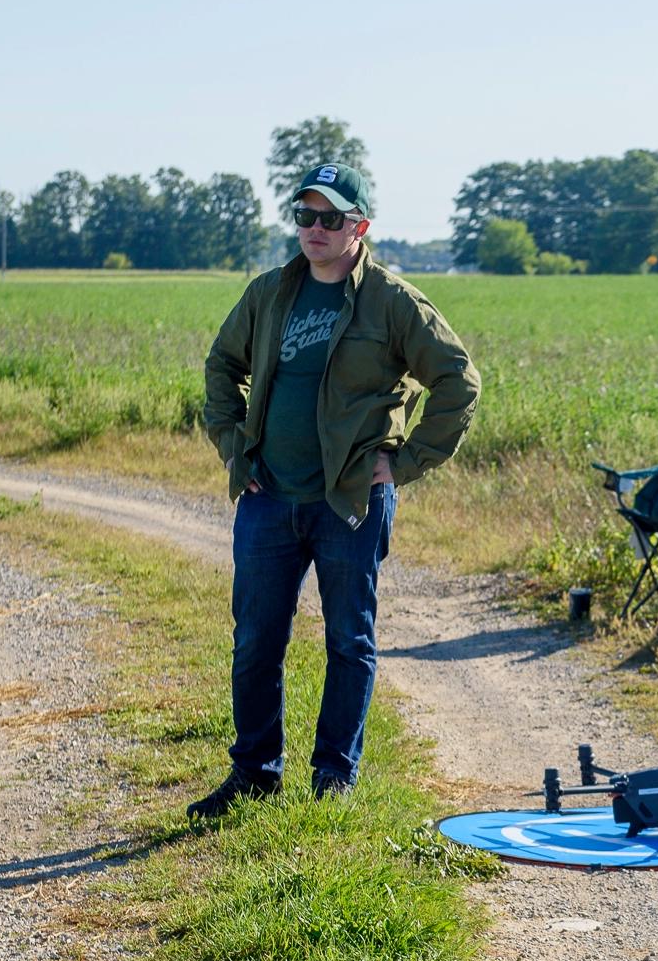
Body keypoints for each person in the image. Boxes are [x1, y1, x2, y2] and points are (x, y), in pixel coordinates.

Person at [189, 163, 480, 818]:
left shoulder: (392, 300)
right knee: (256, 639)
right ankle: (254, 778)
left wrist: (405, 464)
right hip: (269, 496)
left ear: (360, 225)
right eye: (305, 216)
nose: (315, 230)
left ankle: (333, 779)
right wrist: (234, 446)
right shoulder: (269, 293)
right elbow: (221, 365)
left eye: (331, 218)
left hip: (351, 502)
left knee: (349, 639)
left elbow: (458, 381)